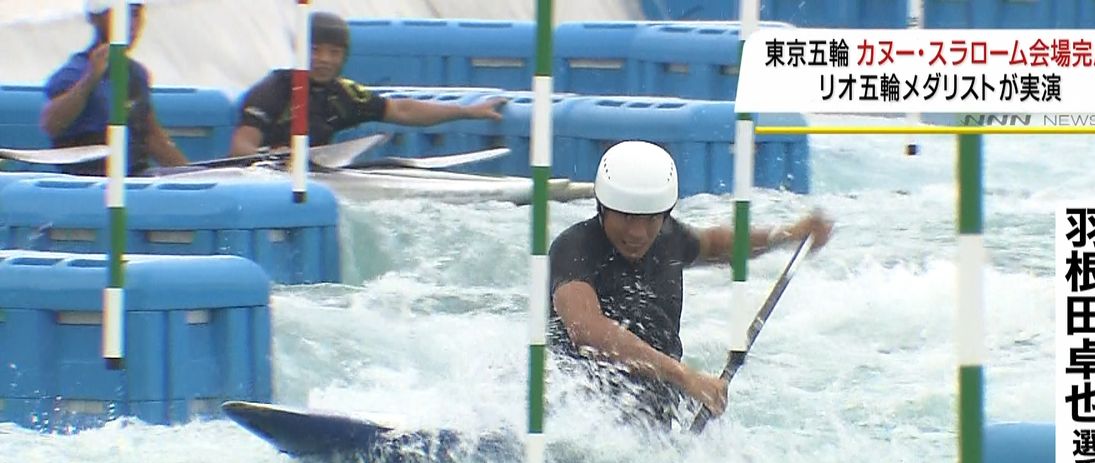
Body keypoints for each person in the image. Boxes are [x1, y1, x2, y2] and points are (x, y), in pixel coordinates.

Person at [548, 140, 833, 430]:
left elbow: (717, 245)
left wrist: (788, 235)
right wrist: (684, 376)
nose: (637, 233)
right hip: (583, 417)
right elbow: (586, 330)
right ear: (603, 208)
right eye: (626, 217)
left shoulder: (669, 238)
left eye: (650, 219)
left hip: (657, 414)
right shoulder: (573, 249)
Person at [231, 11, 508, 157]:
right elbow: (240, 147)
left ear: (343, 56)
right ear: (301, 50)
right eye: (315, 50)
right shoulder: (273, 90)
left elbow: (403, 111)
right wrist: (272, 159)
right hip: (266, 183)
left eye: (334, 52)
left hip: (318, 181)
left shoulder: (344, 94)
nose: (324, 59)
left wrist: (467, 111)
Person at [40, 0, 189, 176]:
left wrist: (191, 177)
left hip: (134, 177)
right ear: (97, 18)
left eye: (135, 15)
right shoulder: (74, 72)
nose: (132, 25)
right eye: (123, 15)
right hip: (89, 179)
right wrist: (90, 80)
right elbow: (51, 125)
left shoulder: (136, 74)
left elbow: (153, 137)